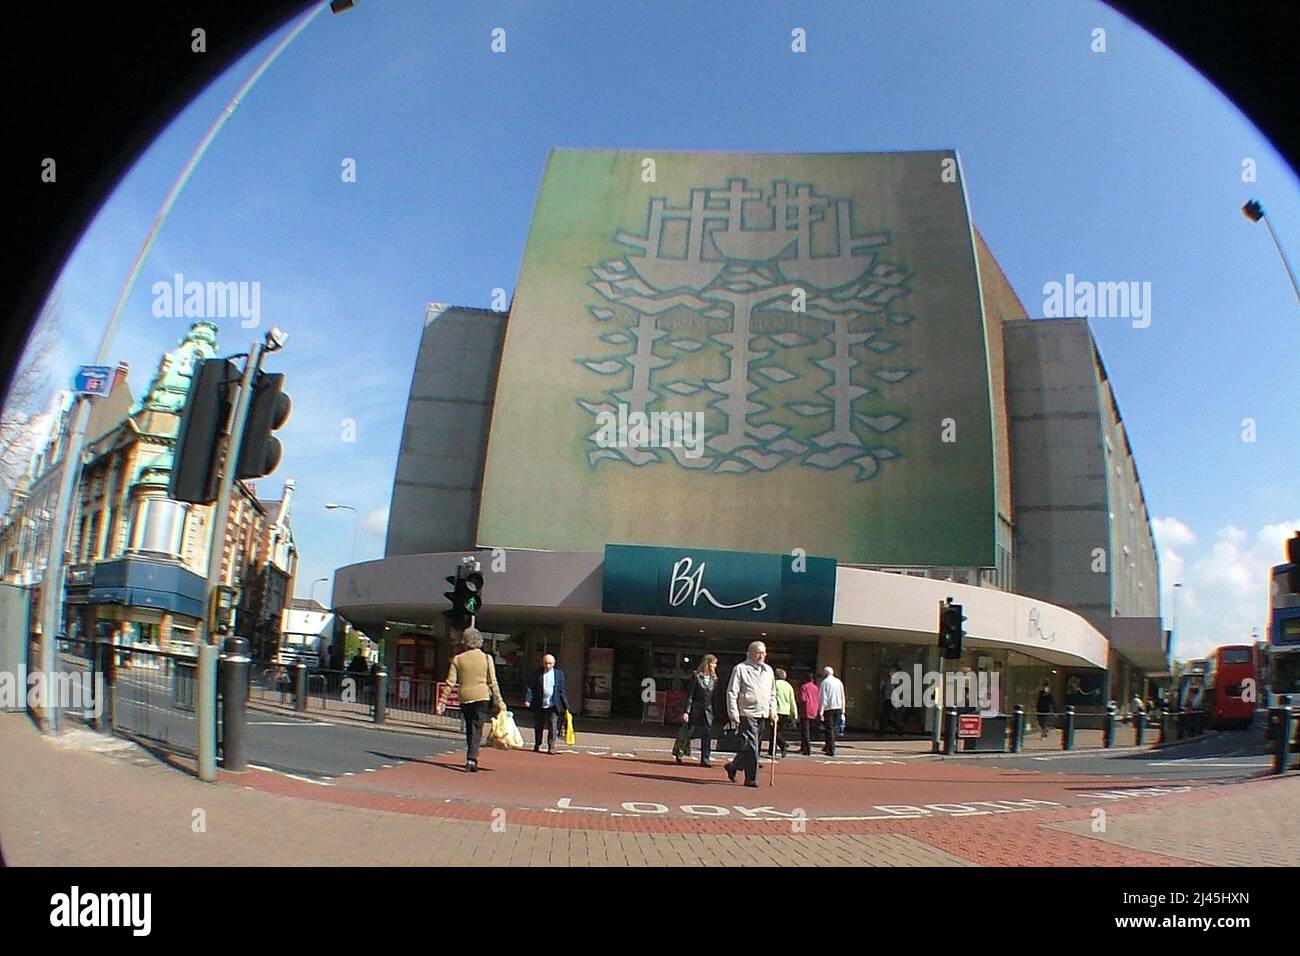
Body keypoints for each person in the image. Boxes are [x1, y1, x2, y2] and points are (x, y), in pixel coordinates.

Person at [436, 627, 505, 772]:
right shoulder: (487, 658)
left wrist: (442, 700)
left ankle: (471, 757)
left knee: (469, 727)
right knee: (477, 727)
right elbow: (493, 682)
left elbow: (450, 682)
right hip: (482, 696)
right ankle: (472, 758)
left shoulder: (458, 659)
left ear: (465, 642)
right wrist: (499, 701)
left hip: (465, 697)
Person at [724, 641, 778, 788]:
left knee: (750, 746)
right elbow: (732, 691)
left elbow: (772, 693)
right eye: (758, 652)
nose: (761, 655)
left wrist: (773, 711)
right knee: (753, 745)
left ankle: (734, 766)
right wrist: (733, 711)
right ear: (750, 653)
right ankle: (751, 778)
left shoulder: (769, 671)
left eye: (763, 652)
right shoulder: (741, 669)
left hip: (763, 712)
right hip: (746, 712)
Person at [523, 652, 570, 753]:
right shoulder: (537, 673)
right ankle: (537, 744)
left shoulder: (559, 674)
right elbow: (530, 687)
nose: (547, 665)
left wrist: (566, 705)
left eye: (549, 663)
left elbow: (561, 690)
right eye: (545, 663)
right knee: (538, 725)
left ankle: (551, 746)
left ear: (554, 664)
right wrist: (528, 699)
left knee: (553, 724)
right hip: (539, 703)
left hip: (553, 704)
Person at [678, 654, 717, 766]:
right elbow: (690, 695)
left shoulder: (714, 679)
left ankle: (705, 758)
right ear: (708, 664)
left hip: (707, 709)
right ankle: (680, 752)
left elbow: (714, 697)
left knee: (707, 733)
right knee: (689, 732)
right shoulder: (696, 677)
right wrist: (686, 711)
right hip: (695, 707)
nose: (715, 666)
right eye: (714, 663)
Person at [768, 668, 796, 758]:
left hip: (776, 710)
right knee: (777, 731)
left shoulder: (774, 684)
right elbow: (792, 700)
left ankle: (782, 744)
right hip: (786, 711)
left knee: (774, 731)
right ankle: (772, 749)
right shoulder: (789, 686)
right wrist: (794, 713)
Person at [819, 666, 845, 756]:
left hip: (829, 708)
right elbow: (842, 695)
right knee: (833, 728)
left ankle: (830, 748)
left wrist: (821, 711)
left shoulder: (825, 683)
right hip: (838, 707)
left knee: (829, 729)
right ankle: (828, 745)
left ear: (825, 673)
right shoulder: (839, 682)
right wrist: (843, 709)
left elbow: (823, 698)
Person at [797, 671, 820, 756]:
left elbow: (802, 699)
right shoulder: (815, 687)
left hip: (806, 710)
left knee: (805, 730)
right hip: (814, 709)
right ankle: (804, 746)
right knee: (810, 729)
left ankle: (807, 748)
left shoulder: (804, 687)